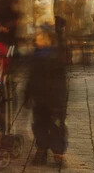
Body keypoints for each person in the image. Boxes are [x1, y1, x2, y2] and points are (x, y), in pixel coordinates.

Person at [25, 30, 68, 166]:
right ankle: (42, 150)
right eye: (37, 39)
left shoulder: (56, 56)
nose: (37, 41)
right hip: (39, 99)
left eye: (40, 39)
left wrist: (60, 100)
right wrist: (27, 95)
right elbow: (31, 79)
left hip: (54, 99)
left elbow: (61, 81)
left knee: (56, 127)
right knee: (39, 126)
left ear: (48, 40)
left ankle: (58, 154)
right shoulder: (35, 57)